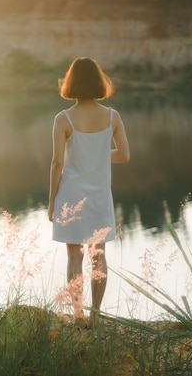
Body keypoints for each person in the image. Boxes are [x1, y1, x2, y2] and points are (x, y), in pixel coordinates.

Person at [48, 57, 130, 320]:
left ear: (70, 83)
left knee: (74, 257)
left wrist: (51, 203)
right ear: (99, 82)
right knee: (99, 257)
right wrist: (96, 155)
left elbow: (57, 162)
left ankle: (78, 314)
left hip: (71, 196)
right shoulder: (112, 117)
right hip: (99, 198)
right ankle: (95, 315)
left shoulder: (63, 119)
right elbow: (124, 156)